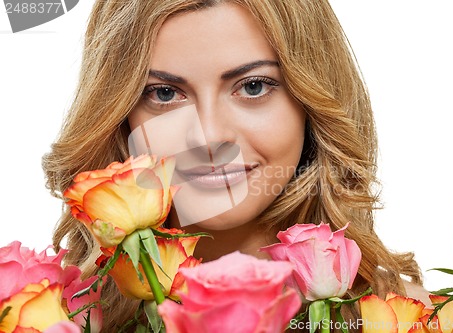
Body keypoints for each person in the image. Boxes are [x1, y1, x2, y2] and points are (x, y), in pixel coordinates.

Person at [43, 0, 426, 331]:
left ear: (313, 105)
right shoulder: (53, 318)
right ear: (119, 115)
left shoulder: (427, 322)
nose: (208, 137)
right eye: (164, 94)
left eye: (253, 86)